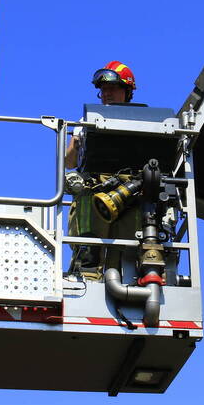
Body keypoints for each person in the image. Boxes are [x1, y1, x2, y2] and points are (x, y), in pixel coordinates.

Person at [65, 61, 139, 275]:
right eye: (103, 90)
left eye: (112, 88)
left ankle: (130, 279)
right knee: (89, 249)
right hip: (93, 192)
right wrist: (76, 143)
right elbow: (69, 163)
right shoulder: (86, 120)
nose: (106, 93)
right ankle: (86, 276)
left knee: (129, 248)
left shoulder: (142, 122)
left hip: (129, 194)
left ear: (127, 91)